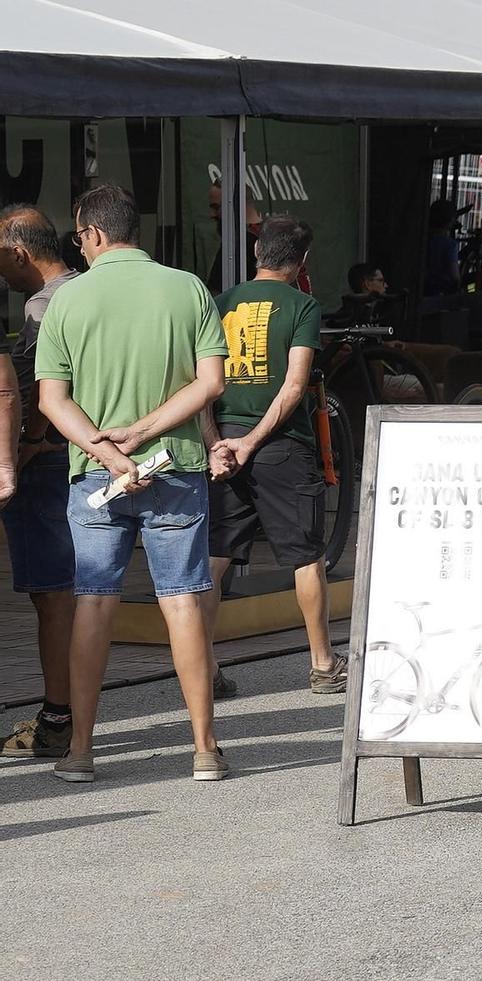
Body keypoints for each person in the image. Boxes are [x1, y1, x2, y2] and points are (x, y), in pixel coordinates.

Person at [37, 186, 229, 783]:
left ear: (91, 234)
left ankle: (81, 752)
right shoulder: (188, 287)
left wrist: (104, 449)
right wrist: (146, 433)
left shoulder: (68, 300)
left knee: (94, 601)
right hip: (175, 466)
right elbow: (211, 383)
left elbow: (52, 399)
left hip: (94, 475)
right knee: (183, 599)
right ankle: (204, 749)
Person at [201, 215, 345, 696]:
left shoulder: (219, 303)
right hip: (281, 446)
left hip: (224, 443)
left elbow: (199, 385)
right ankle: (323, 664)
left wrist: (217, 443)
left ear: (258, 254)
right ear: (301, 261)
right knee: (306, 555)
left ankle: (204, 665)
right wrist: (255, 440)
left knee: (216, 555)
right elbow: (295, 385)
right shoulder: (303, 306)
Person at [0, 205, 78, 757]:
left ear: (20, 252)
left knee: (52, 595)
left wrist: (25, 444)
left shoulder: (44, 306)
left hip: (46, 458)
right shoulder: (90, 288)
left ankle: (58, 718)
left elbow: (35, 389)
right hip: (82, 454)